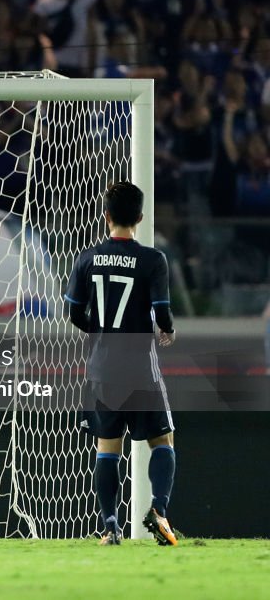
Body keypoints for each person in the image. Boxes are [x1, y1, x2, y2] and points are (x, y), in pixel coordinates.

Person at [64, 182, 178, 546]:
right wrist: (167, 331)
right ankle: (159, 511)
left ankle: (110, 525)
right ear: (141, 218)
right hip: (140, 366)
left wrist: (99, 333)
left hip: (102, 368)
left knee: (107, 447)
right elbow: (161, 311)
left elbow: (74, 313)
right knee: (162, 440)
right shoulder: (152, 259)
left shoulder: (86, 257)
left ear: (106, 215)